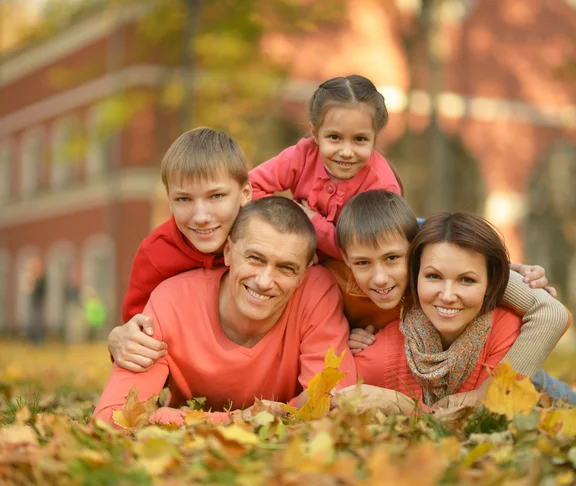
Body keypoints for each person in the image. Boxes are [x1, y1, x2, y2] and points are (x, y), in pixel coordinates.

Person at [93, 197, 357, 427]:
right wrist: (245, 419)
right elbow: (114, 417)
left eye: (286, 268)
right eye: (255, 258)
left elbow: (331, 403)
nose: (264, 281)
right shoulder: (171, 300)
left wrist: (169, 417)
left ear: (304, 273)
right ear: (229, 252)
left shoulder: (317, 290)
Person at [335, 191, 576, 405]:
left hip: (517, 368)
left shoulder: (438, 254)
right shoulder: (341, 276)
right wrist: (349, 335)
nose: (380, 278)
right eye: (363, 263)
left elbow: (551, 313)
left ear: (410, 254)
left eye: (392, 259)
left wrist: (489, 393)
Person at [107, 127, 252, 371]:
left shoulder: (268, 235)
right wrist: (121, 339)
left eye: (216, 196)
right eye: (184, 199)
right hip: (193, 373)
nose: (201, 217)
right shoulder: (155, 254)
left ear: (245, 193)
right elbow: (137, 333)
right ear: (169, 200)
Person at [249, 75, 402, 260]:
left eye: (359, 139)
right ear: (315, 133)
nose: (346, 152)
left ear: (374, 138)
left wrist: (313, 223)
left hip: (350, 275)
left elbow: (366, 250)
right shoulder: (303, 155)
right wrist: (292, 220)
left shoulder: (382, 187)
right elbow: (250, 187)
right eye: (335, 137)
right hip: (298, 255)